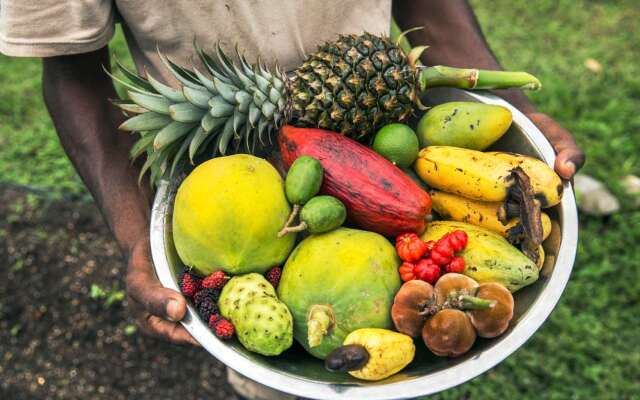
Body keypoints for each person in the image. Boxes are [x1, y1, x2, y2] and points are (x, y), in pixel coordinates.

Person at [0, 1, 584, 398]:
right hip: (222, 177)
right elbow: (74, 70)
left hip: (390, 124)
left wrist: (514, 111)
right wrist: (136, 238)